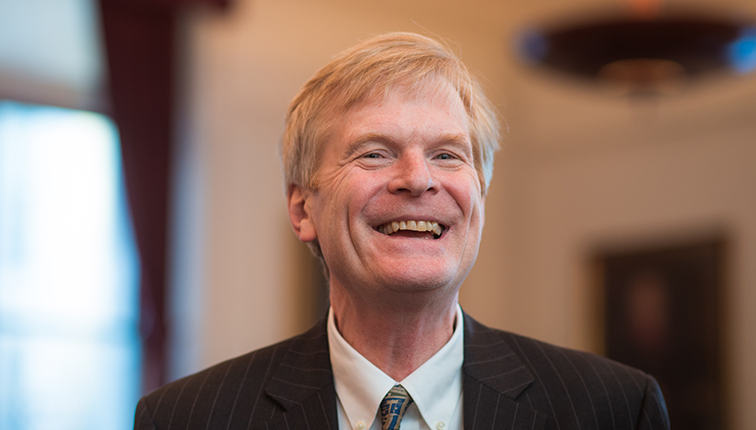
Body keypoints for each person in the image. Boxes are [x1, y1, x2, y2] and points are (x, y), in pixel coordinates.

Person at [133, 32, 670, 430]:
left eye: (446, 154)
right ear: (302, 209)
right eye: (375, 153)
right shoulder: (187, 418)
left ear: (478, 195)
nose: (418, 179)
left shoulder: (615, 409)